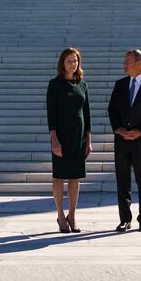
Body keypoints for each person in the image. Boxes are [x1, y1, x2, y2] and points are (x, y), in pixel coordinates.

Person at [107, 48, 141, 232]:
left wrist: (140, 131)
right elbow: (112, 109)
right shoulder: (120, 84)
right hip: (122, 141)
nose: (124, 65)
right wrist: (118, 129)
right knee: (122, 181)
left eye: (127, 62)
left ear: (139, 64)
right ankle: (125, 219)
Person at [47, 47, 91, 233]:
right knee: (59, 176)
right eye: (69, 61)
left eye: (75, 61)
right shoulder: (55, 84)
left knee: (75, 176)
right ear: (62, 63)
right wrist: (54, 139)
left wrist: (88, 139)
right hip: (62, 135)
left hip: (79, 135)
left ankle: (72, 215)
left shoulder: (82, 84)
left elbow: (87, 113)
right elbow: (51, 114)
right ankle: (60, 215)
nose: (73, 64)